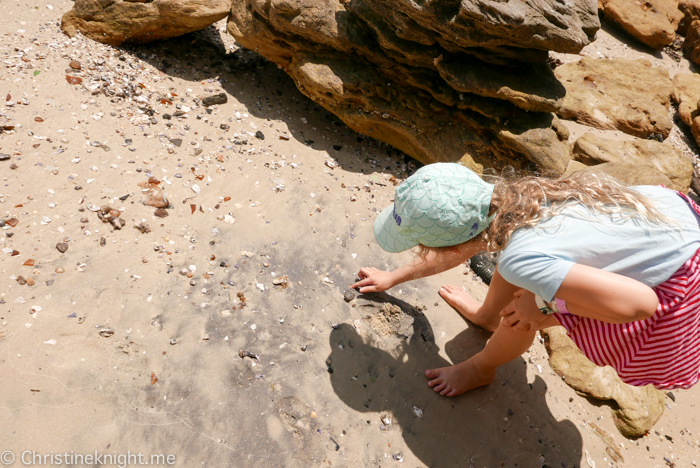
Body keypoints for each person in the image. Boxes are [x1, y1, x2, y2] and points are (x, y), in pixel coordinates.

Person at [350, 163, 700, 397]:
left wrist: (545, 305)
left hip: (668, 291)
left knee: (522, 309)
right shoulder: (521, 200)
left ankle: (481, 368)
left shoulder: (522, 253)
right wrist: (395, 276)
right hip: (675, 220)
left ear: (456, 241)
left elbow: (640, 306)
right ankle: (485, 316)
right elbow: (486, 250)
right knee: (520, 263)